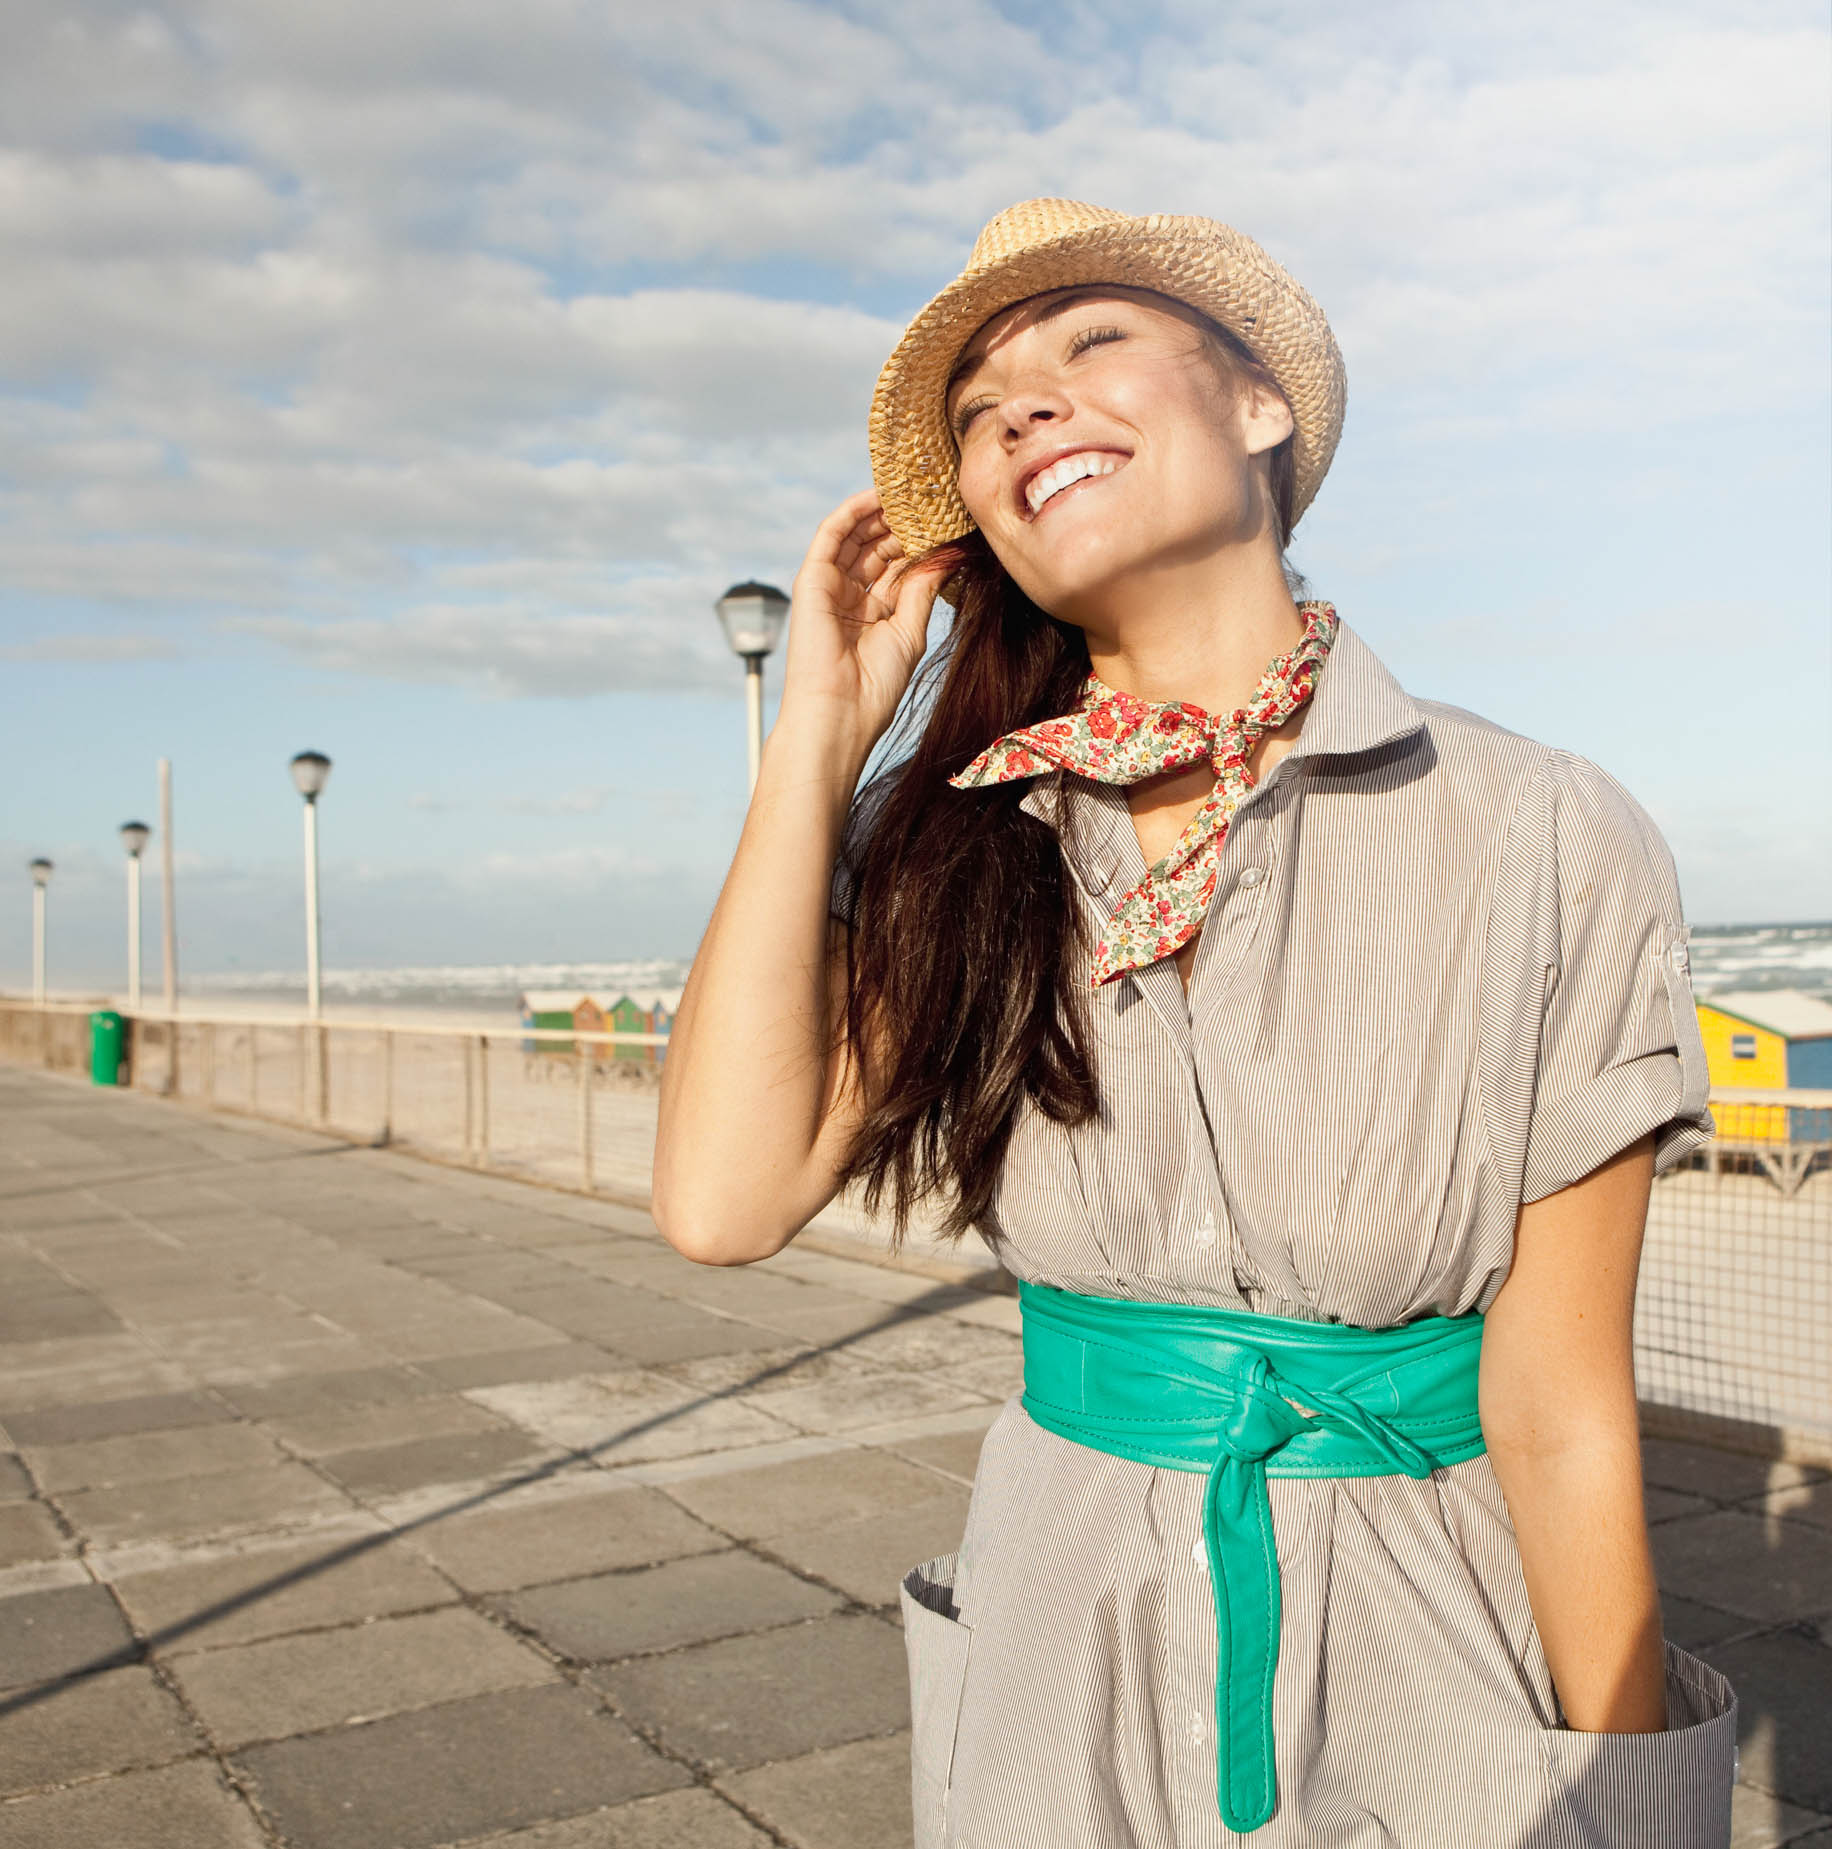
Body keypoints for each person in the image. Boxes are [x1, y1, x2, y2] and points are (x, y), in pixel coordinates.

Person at [652, 199, 1738, 1846]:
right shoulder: (957, 846)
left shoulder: (1540, 827)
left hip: (1421, 1628)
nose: (1021, 407)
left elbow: (1560, 1392)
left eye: (1087, 343)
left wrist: (1629, 1784)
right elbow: (723, 1202)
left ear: (1257, 406)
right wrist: (819, 734)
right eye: (979, 408)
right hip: (1054, 1618)